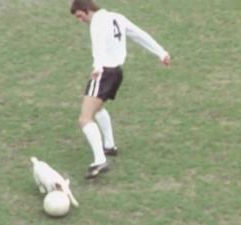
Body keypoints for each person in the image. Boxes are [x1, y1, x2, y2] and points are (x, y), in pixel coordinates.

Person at [70, 0, 171, 179]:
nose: (81, 20)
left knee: (85, 118)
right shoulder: (117, 18)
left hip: (103, 73)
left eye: (80, 16)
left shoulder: (97, 23)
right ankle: (109, 146)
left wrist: (97, 67)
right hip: (117, 73)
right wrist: (161, 52)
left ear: (86, 10)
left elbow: (98, 46)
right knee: (98, 108)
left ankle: (99, 161)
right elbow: (139, 34)